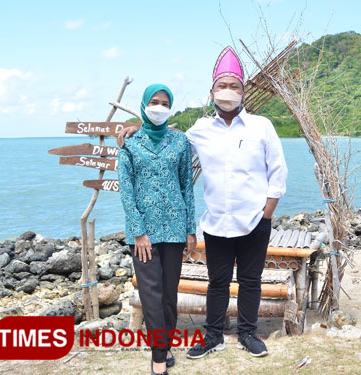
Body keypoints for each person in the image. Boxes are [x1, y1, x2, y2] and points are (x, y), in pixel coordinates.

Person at [118, 46, 288, 359]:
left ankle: (248, 334)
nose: (228, 92)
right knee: (217, 281)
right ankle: (213, 336)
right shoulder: (199, 130)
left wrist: (267, 214)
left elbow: (278, 171)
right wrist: (136, 129)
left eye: (234, 86)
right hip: (217, 222)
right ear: (212, 91)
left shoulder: (261, 126)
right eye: (222, 86)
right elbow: (170, 141)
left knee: (251, 280)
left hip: (254, 220)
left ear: (243, 91)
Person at [118, 84, 196, 375]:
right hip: (143, 234)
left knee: (168, 294)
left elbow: (187, 186)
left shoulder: (180, 141)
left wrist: (190, 230)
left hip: (175, 229)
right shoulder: (129, 142)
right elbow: (126, 191)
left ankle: (165, 345)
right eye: (154, 102)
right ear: (144, 104)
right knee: (150, 293)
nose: (160, 107)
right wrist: (138, 231)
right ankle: (158, 357)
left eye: (165, 103)